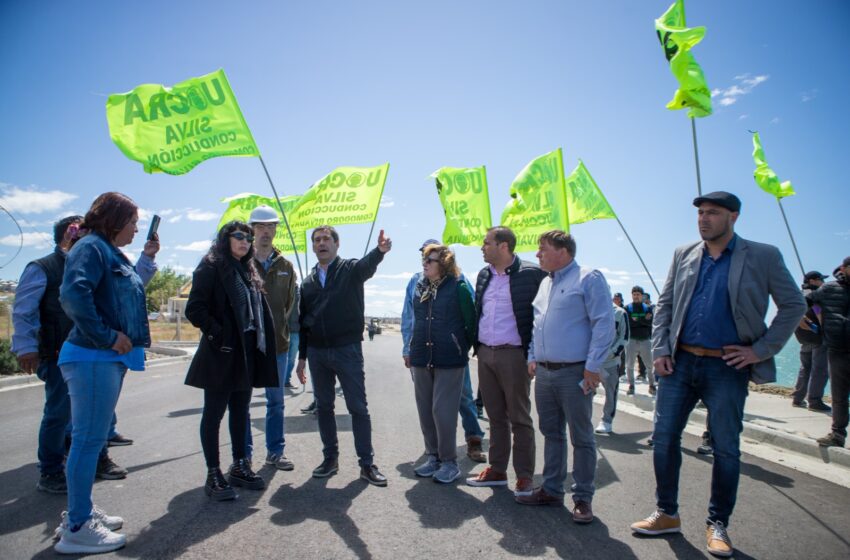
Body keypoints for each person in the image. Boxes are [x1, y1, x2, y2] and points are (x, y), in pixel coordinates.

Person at [630, 191, 805, 558]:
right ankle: (666, 513)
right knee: (663, 439)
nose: (704, 219)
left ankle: (717, 524)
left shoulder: (763, 255)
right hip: (679, 363)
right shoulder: (684, 253)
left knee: (726, 448)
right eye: (700, 213)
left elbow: (794, 305)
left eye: (713, 213)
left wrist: (760, 350)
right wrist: (661, 349)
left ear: (734, 217)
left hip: (726, 366)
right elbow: (665, 304)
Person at [12, 217, 150, 495]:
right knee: (59, 414)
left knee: (94, 417)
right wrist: (25, 346)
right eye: (86, 229)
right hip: (59, 351)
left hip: (98, 352)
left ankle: (97, 461)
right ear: (70, 233)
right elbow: (24, 310)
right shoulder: (43, 267)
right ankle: (51, 471)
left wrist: (147, 258)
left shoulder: (99, 258)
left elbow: (129, 286)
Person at [54, 193, 161, 554]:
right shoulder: (91, 248)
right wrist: (105, 335)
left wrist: (147, 259)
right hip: (92, 355)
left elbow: (125, 292)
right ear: (114, 219)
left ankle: (79, 512)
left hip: (100, 358)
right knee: (87, 441)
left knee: (91, 440)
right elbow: (73, 296)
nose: (135, 228)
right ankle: (78, 527)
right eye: (132, 221)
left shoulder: (108, 251)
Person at [516, 230, 613, 526]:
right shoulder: (545, 283)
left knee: (582, 438)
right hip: (544, 373)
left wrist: (593, 366)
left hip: (575, 372)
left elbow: (604, 324)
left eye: (542, 248)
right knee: (552, 433)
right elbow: (537, 325)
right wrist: (532, 356)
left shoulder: (589, 278)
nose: (537, 254)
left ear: (563, 251)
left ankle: (583, 498)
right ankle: (552, 489)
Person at [184, 221, 280, 501]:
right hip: (222, 353)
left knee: (241, 411)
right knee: (213, 414)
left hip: (246, 352)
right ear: (226, 238)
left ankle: (240, 465)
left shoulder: (248, 270)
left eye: (248, 237)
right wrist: (219, 335)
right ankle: (213, 473)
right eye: (239, 235)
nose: (245, 240)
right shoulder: (211, 265)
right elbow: (195, 309)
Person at [295, 226, 392, 486]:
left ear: (337, 245)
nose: (322, 243)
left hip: (347, 350)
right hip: (316, 353)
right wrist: (302, 357)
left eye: (327, 239)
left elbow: (366, 267)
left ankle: (367, 464)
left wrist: (380, 251)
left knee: (358, 408)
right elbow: (303, 322)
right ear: (313, 247)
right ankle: (330, 459)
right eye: (317, 240)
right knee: (324, 408)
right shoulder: (307, 282)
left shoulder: (349, 270)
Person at [466, 226, 546, 497]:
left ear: (503, 246)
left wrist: (534, 354)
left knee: (519, 417)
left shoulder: (533, 274)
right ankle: (497, 470)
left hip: (515, 355)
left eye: (487, 243)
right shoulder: (484, 274)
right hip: (485, 354)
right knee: (495, 416)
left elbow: (541, 317)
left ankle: (524, 476)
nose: (482, 247)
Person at [402, 238, 487, 464]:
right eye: (423, 255)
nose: (425, 260)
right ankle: (435, 454)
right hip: (423, 352)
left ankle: (473, 439)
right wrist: (407, 347)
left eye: (430, 257)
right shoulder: (415, 282)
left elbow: (470, 314)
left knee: (463, 397)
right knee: (430, 406)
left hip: (451, 354)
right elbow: (409, 317)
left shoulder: (458, 281)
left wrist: (461, 347)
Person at [244, 205, 297, 471]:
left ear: (276, 229)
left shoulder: (286, 266)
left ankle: (275, 452)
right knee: (241, 401)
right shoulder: (241, 261)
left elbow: (287, 305)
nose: (266, 232)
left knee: (276, 402)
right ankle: (244, 456)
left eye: (271, 227)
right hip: (247, 346)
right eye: (261, 227)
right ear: (252, 229)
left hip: (278, 345)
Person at [812, 257, 850, 448]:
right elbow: (803, 302)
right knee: (839, 395)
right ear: (844, 268)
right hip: (837, 350)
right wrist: (813, 321)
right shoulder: (828, 288)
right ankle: (837, 434)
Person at [792, 271, 831, 412]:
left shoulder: (799, 295)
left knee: (805, 367)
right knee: (819, 369)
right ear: (813, 281)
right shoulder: (815, 297)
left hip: (803, 338)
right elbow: (819, 313)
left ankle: (797, 398)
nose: (824, 282)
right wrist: (825, 330)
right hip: (818, 337)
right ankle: (815, 401)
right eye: (821, 279)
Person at [596, 300, 628, 434]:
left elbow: (624, 337)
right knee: (586, 392)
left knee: (610, 393)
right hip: (591, 362)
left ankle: (607, 420)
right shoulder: (590, 309)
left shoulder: (620, 313)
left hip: (610, 362)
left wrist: (613, 353)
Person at [625, 286, 655, 395]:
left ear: (642, 296)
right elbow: (628, 324)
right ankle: (631, 386)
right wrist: (642, 320)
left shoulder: (648, 308)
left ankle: (652, 385)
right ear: (632, 295)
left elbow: (649, 323)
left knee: (650, 365)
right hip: (631, 340)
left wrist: (637, 321)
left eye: (638, 294)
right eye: (634, 294)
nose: (636, 296)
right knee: (629, 365)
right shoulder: (627, 308)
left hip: (645, 340)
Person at [284, 284, 301, 389]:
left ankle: (286, 380)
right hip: (283, 330)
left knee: (291, 358)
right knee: (282, 358)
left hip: (295, 330)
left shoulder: (300, 293)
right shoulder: (282, 289)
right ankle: (282, 380)